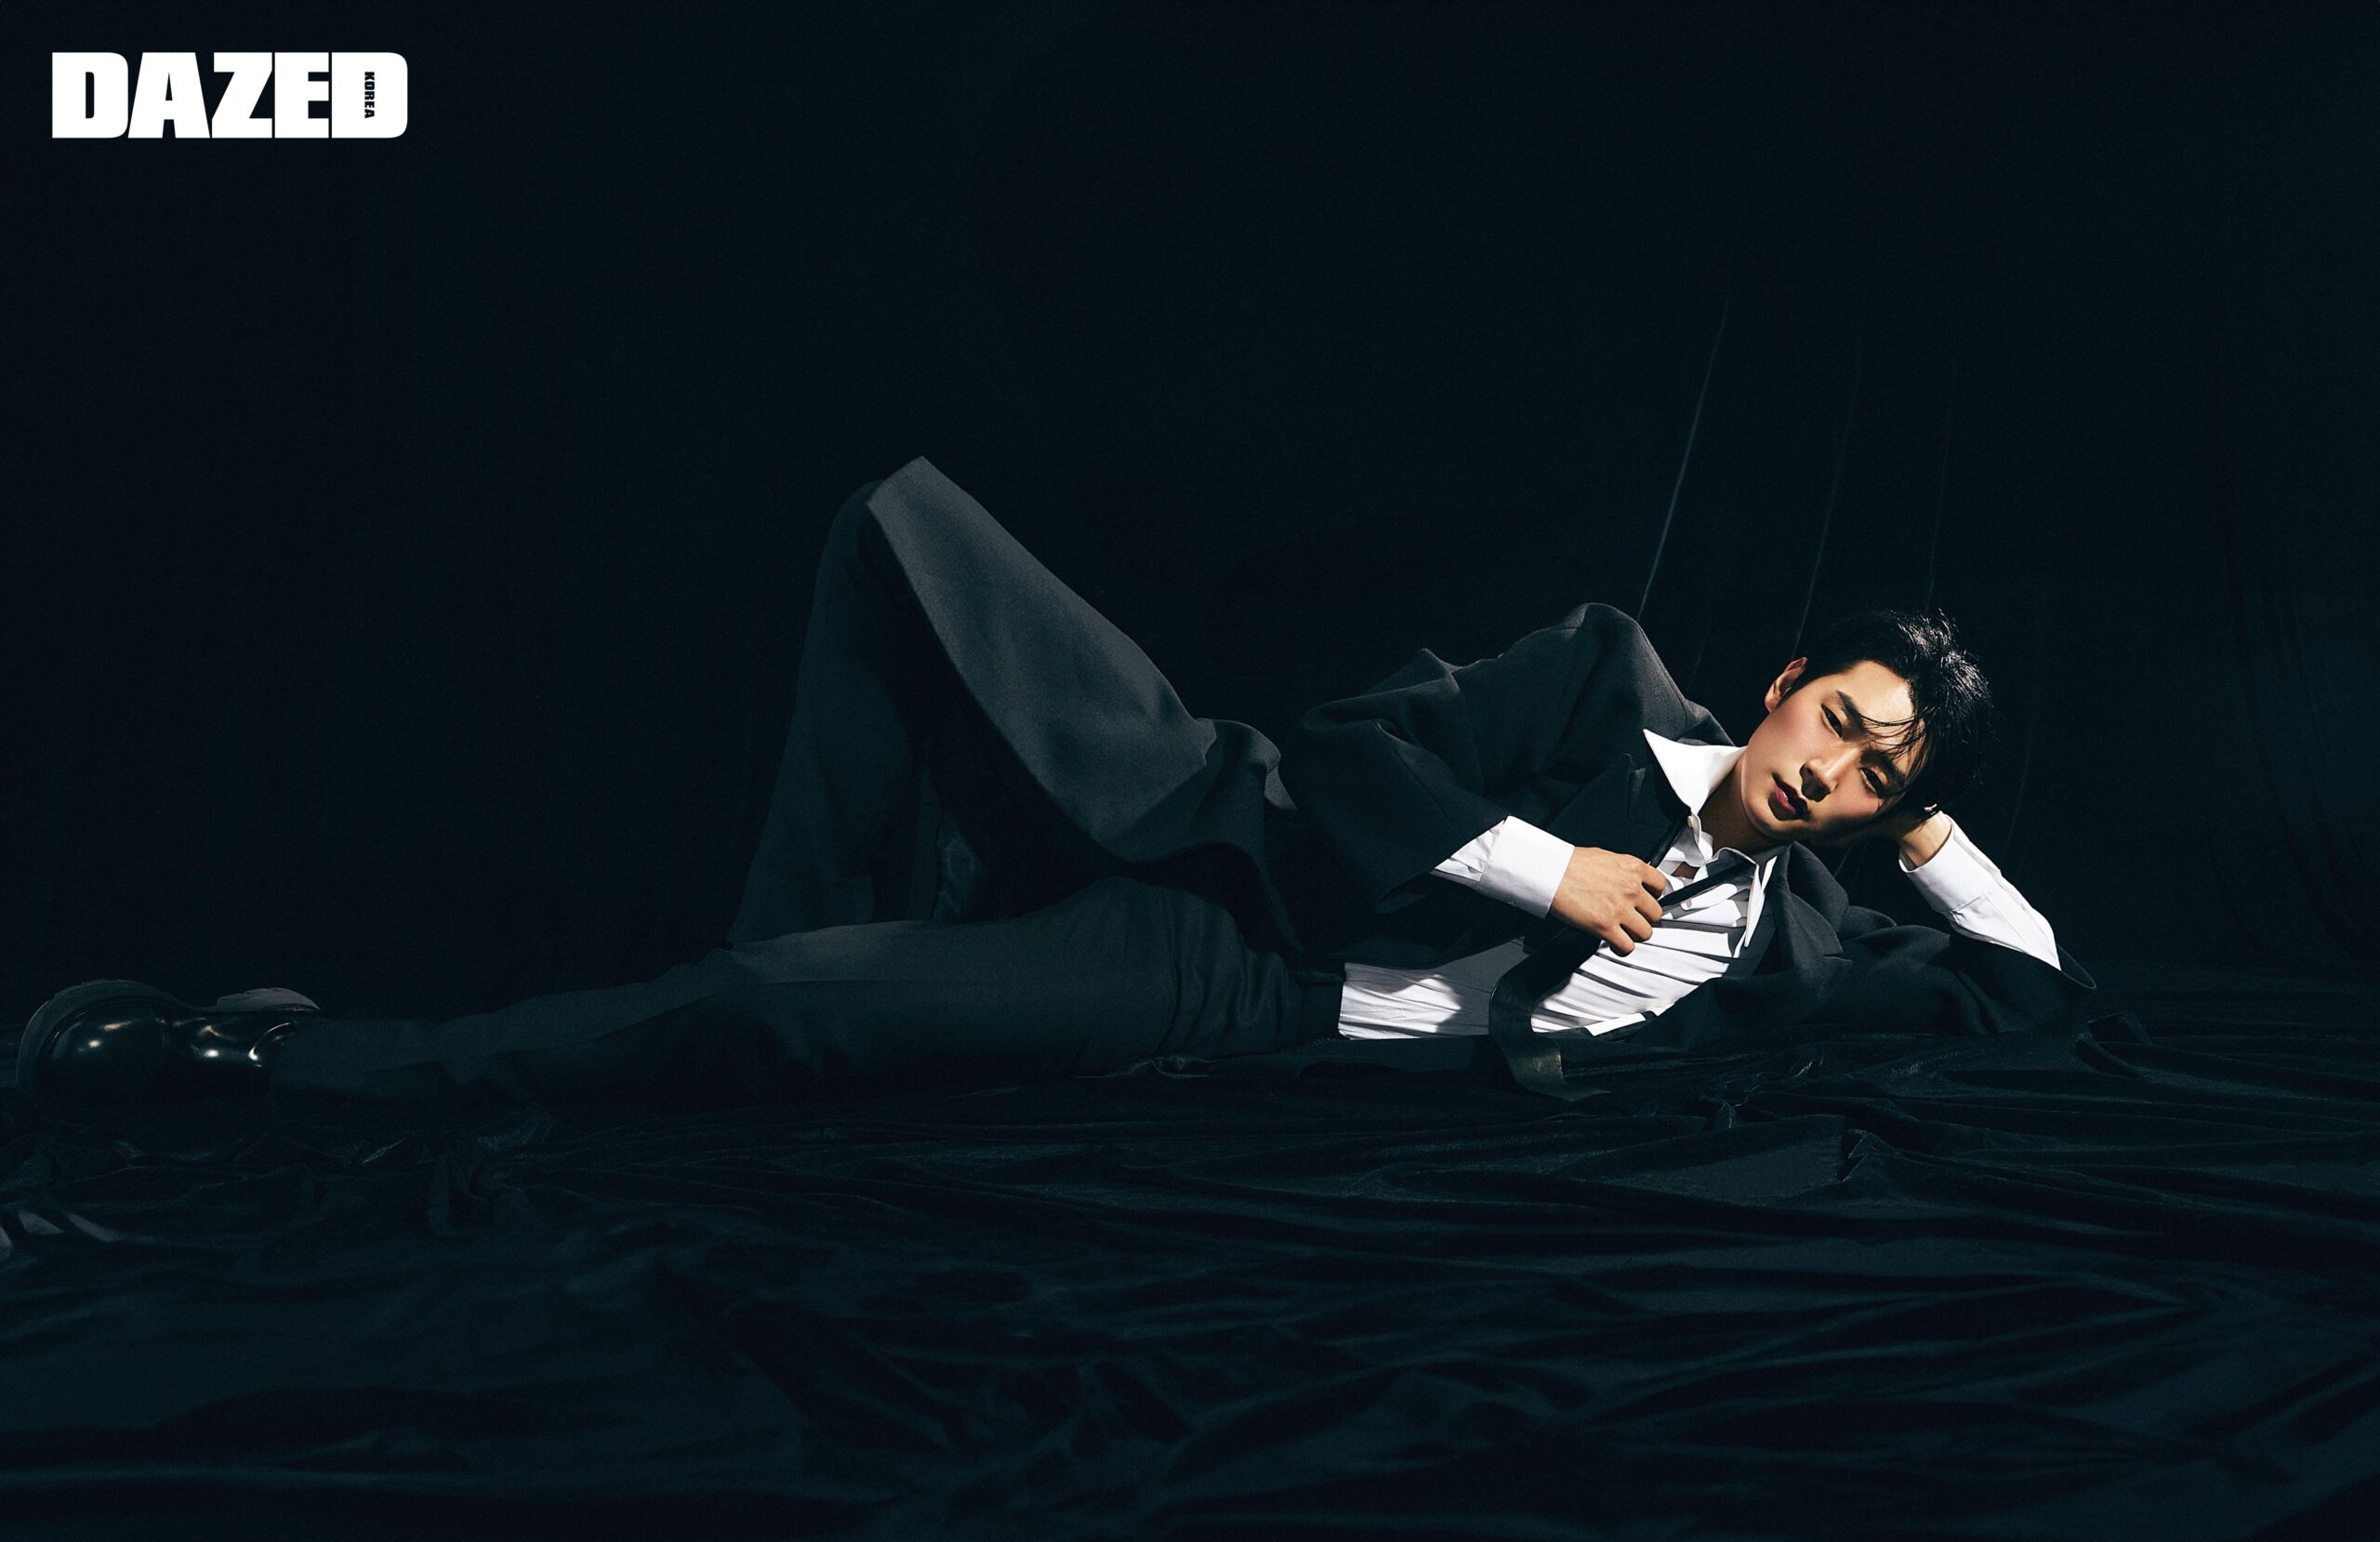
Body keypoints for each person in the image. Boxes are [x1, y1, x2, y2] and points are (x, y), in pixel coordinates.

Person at [14, 457, 2093, 1112]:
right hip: (1229, 886)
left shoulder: (1801, 940)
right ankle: (253, 1059)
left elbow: (2026, 972)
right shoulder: (1601, 672)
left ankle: (726, 989)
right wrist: (1541, 870)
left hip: (1252, 1029)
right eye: (1834, 721)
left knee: (794, 1007)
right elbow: (1354, 740)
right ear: (1778, 685)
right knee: (898, 542)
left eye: (1872, 778)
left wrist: (1924, 812)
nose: (1829, 772)